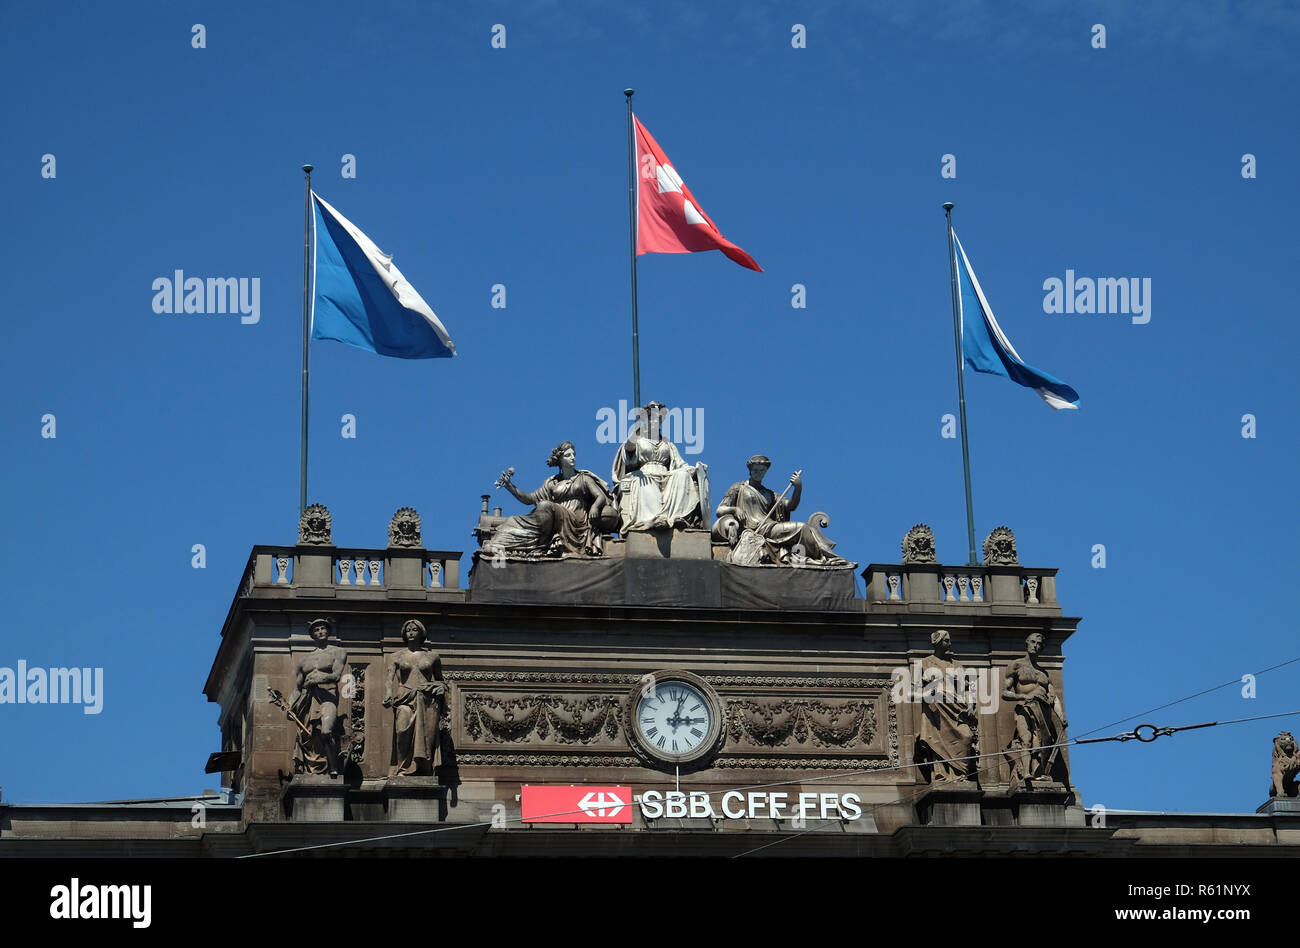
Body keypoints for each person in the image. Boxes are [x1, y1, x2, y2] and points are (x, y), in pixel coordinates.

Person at [712, 455, 847, 566]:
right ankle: (823, 556)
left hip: (770, 527)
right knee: (802, 528)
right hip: (752, 529)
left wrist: (798, 488)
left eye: (761, 470)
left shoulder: (770, 494)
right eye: (755, 470)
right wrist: (734, 509)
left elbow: (791, 505)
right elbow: (720, 509)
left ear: (765, 472)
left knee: (803, 528)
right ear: (750, 470)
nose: (758, 473)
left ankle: (825, 556)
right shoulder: (738, 488)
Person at [489, 441, 616, 556]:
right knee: (513, 520)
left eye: (574, 455)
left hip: (577, 521)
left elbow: (600, 496)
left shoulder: (584, 478)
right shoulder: (553, 482)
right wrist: (510, 486)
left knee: (545, 505)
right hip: (558, 520)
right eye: (568, 455)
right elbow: (529, 499)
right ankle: (508, 540)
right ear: (560, 459)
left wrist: (595, 506)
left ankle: (534, 537)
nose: (573, 458)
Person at [612, 401, 703, 533]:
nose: (656, 421)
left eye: (659, 418)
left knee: (682, 475)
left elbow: (681, 464)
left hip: (666, 476)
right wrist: (635, 433)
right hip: (645, 476)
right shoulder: (639, 440)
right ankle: (652, 520)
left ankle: (675, 517)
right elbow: (628, 450)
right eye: (652, 418)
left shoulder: (667, 444)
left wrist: (694, 469)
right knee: (643, 484)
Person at [1001, 632, 1069, 785]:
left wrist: (1061, 716)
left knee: (1040, 742)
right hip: (1024, 708)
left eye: (1038, 644)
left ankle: (1037, 772)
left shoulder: (1043, 673)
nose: (1035, 646)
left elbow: (1053, 697)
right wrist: (1022, 697)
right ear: (1027, 643)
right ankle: (1025, 772)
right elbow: (1004, 692)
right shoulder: (1016, 665)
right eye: (1032, 642)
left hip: (1043, 711)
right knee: (1026, 739)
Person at [384, 619, 446, 777]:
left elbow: (440, 680)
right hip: (405, 697)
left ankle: (421, 769)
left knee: (426, 735)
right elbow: (389, 678)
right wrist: (388, 693)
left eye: (414, 629)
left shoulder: (432, 656)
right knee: (402, 729)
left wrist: (439, 688)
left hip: (427, 700)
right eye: (408, 630)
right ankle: (402, 767)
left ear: (421, 633)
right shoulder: (396, 656)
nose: (410, 632)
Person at [914, 630, 978, 784]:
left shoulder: (956, 664)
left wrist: (970, 705)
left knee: (966, 736)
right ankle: (943, 775)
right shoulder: (924, 664)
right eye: (947, 641)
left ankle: (959, 774)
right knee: (938, 742)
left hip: (957, 709)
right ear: (938, 642)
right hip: (937, 711)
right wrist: (931, 693)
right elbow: (915, 692)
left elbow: (968, 689)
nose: (950, 644)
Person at [289, 618, 347, 776]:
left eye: (323, 629)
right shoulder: (304, 661)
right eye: (316, 630)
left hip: (328, 697)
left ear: (328, 631)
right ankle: (317, 769)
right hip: (309, 699)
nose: (320, 632)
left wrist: (318, 678)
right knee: (311, 735)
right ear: (312, 635)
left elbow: (336, 675)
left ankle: (333, 766)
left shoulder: (338, 652)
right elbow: (297, 688)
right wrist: (291, 705)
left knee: (326, 731)